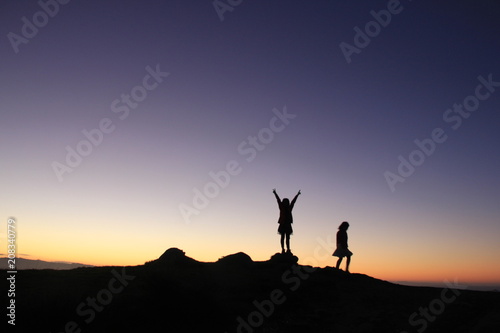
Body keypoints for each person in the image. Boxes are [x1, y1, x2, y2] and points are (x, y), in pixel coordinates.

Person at [273, 189, 301, 254]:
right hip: (283, 224)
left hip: (287, 224)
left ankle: (288, 249)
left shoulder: (289, 208)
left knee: (287, 238)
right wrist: (275, 193)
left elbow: (293, 201)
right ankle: (283, 249)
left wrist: (297, 195)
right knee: (283, 237)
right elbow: (278, 200)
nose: (285, 203)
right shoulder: (282, 207)